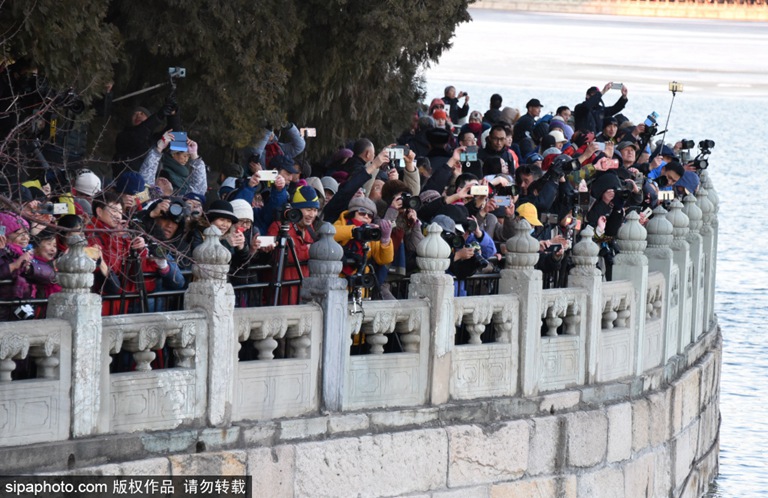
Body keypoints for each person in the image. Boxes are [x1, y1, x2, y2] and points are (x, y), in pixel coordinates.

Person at [266, 186, 320, 305]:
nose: (312, 214)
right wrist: (309, 250)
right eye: (308, 209)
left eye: (315, 210)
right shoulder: (279, 227)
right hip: (283, 294)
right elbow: (284, 255)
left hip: (304, 291)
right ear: (296, 209)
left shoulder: (310, 229)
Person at [333, 196, 393, 298]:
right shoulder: (341, 223)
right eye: (362, 213)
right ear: (352, 213)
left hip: (360, 285)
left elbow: (384, 259)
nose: (366, 217)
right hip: (338, 282)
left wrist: (385, 239)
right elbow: (333, 234)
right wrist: (355, 230)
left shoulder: (370, 234)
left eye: (370, 216)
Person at [140, 130, 207, 196]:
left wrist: (194, 155)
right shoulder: (150, 201)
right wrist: (158, 149)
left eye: (188, 156)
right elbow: (145, 181)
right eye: (184, 156)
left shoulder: (183, 202)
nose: (164, 180)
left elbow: (198, 192)